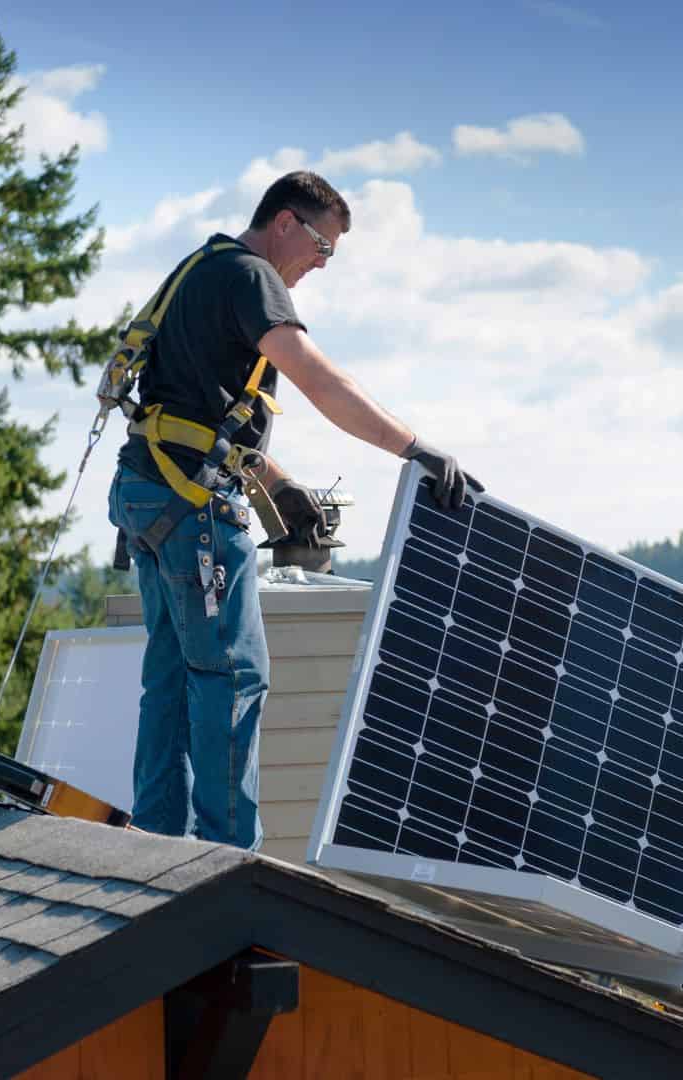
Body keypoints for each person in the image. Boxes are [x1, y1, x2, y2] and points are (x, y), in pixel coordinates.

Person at [106, 170, 480, 851]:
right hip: (194, 514)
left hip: (146, 492)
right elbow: (316, 377)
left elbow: (191, 411)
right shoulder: (253, 278)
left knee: (169, 674)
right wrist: (414, 447)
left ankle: (153, 846)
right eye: (322, 246)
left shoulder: (197, 269)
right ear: (284, 222)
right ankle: (226, 867)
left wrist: (276, 485)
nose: (321, 264)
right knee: (232, 676)